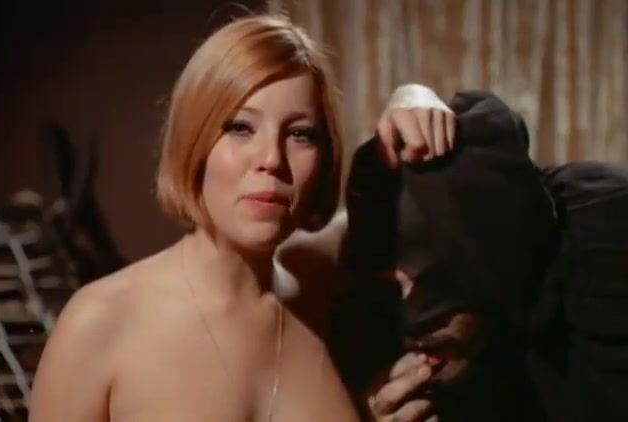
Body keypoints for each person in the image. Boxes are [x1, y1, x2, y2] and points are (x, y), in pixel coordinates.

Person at [28, 14, 455, 421]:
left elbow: (386, 203)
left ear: (324, 158)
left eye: (300, 134)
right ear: (194, 138)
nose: (271, 159)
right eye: (240, 128)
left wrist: (412, 98)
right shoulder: (100, 323)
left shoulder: (317, 280)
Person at [325, 91, 628, 421]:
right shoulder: (363, 336)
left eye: (430, 274)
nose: (412, 310)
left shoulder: (600, 242)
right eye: (389, 282)